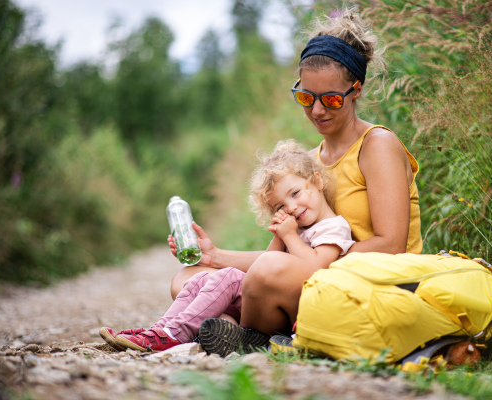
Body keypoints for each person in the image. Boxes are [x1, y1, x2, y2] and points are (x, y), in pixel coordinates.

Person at [174, 8, 423, 355]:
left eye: (331, 99)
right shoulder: (309, 166)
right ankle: (244, 331)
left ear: (356, 90)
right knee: (188, 280)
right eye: (306, 97)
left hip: (372, 283)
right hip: (316, 276)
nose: (317, 111)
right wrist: (215, 257)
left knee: (264, 274)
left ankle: (243, 332)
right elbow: (276, 258)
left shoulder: (376, 146)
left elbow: (392, 245)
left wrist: (314, 261)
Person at [99, 140, 355, 353]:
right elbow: (264, 267)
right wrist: (281, 236)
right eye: (280, 206)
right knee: (201, 282)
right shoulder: (295, 226)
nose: (291, 207)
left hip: (296, 312)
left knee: (231, 279)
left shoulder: (334, 227)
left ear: (317, 182)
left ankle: (176, 334)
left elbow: (317, 268)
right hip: (270, 303)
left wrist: (289, 236)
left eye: (295, 193)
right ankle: (160, 330)